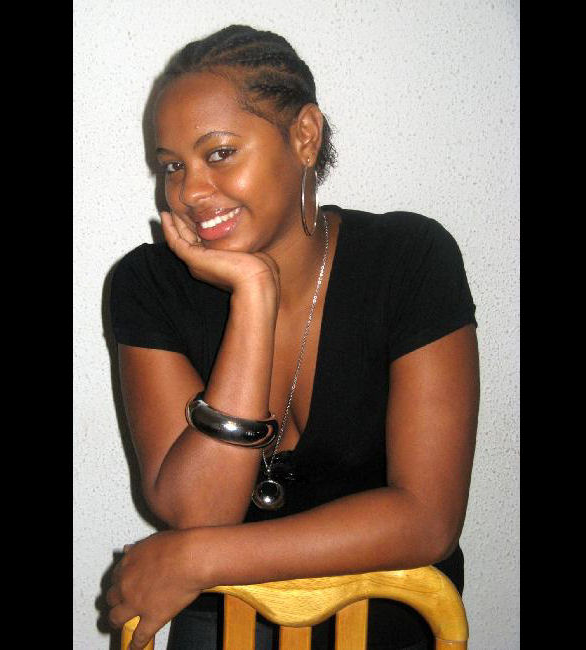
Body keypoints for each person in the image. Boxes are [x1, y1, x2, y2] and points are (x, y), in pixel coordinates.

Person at [106, 24, 479, 650]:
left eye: (219, 153)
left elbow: (426, 518)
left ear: (304, 135)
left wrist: (199, 560)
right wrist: (254, 297)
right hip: (224, 620)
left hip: (388, 607)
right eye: (172, 167)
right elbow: (197, 514)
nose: (189, 192)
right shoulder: (149, 284)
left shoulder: (409, 259)